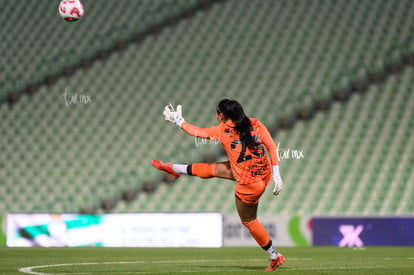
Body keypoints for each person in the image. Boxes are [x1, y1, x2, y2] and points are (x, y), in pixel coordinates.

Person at [151, 99, 285, 271]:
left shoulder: (222, 130)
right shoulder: (256, 124)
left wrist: (179, 121)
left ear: (222, 115)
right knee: (211, 169)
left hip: (248, 184)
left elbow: (196, 132)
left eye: (217, 113)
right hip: (263, 173)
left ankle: (274, 256)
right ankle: (172, 168)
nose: (216, 116)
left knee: (249, 221)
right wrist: (276, 174)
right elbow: (272, 146)